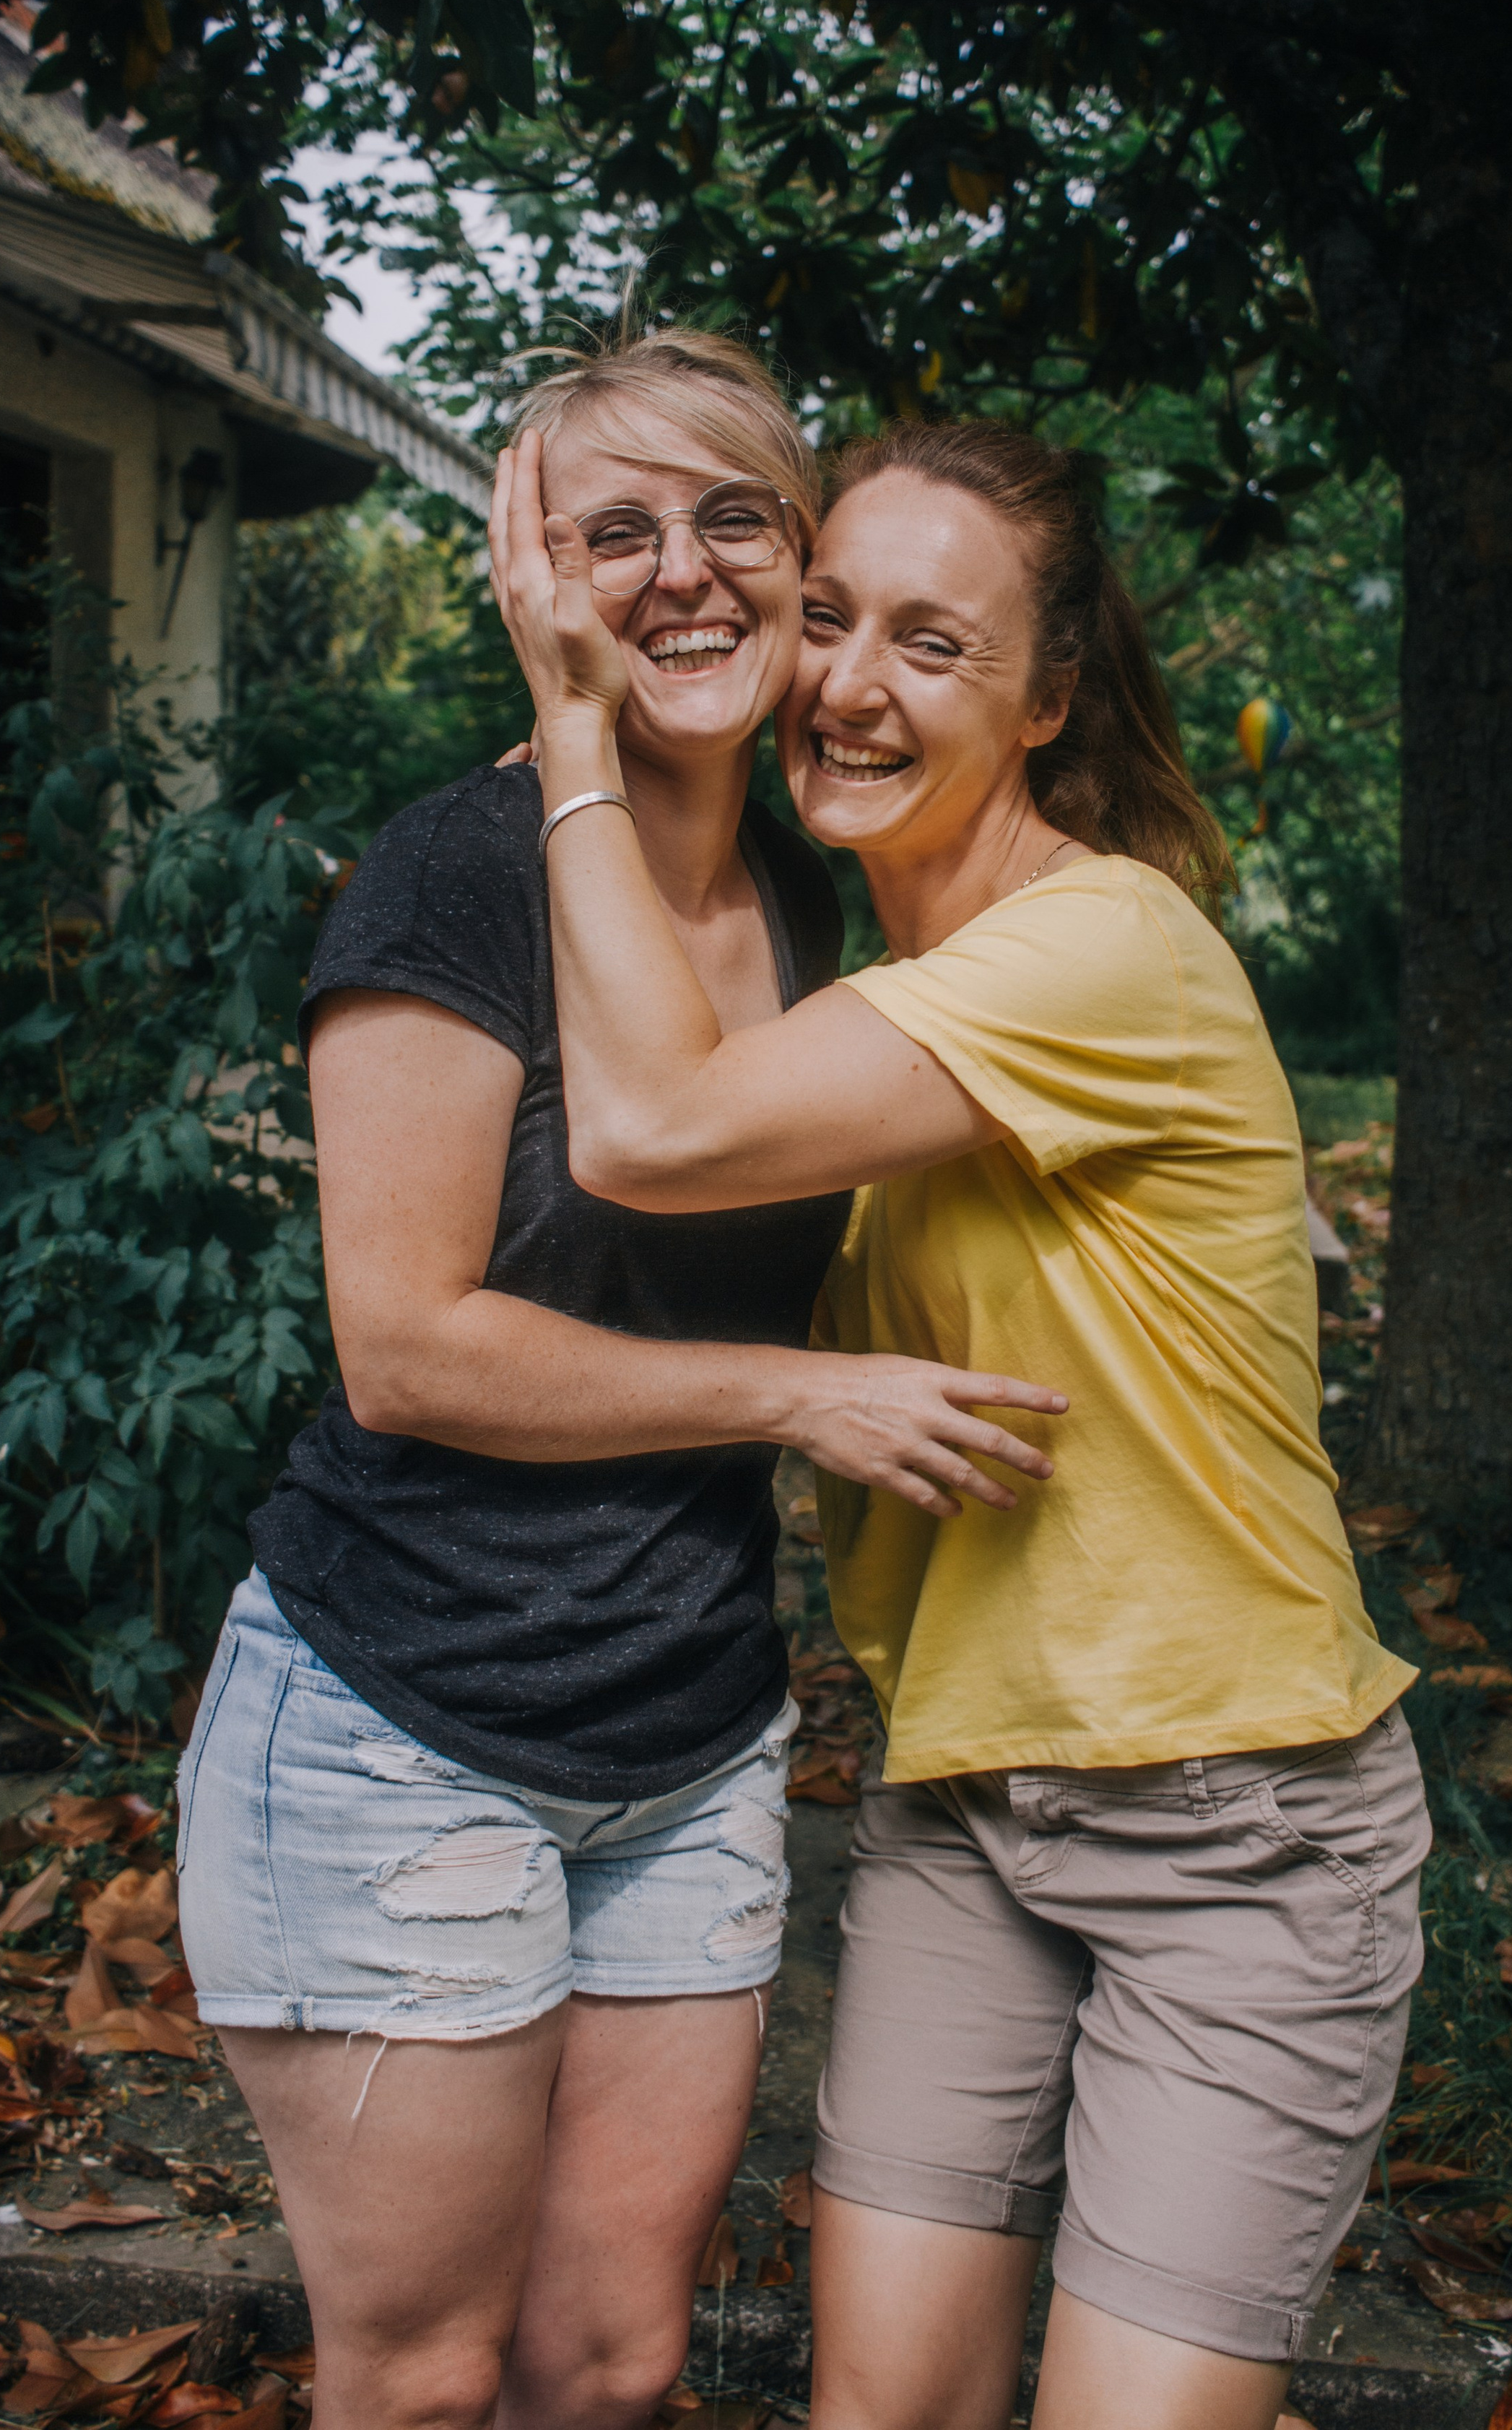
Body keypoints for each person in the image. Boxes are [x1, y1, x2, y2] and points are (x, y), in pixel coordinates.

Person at [489, 412, 1429, 2430]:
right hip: (966, 1803)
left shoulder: (1102, 950)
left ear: (1048, 700)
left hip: (1234, 1825)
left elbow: (650, 1127)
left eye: (933, 642)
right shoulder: (868, 992)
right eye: (826, 618)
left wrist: (575, 725)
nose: (843, 681)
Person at [175, 339, 1065, 2430]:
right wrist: (797, 1400)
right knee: (417, 2377)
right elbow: (404, 1346)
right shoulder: (458, 874)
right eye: (614, 531)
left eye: (732, 517)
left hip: (685, 1742)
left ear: (803, 560)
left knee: (613, 2359)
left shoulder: (805, 889)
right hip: (409, 1720)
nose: (680, 573)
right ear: (534, 580)